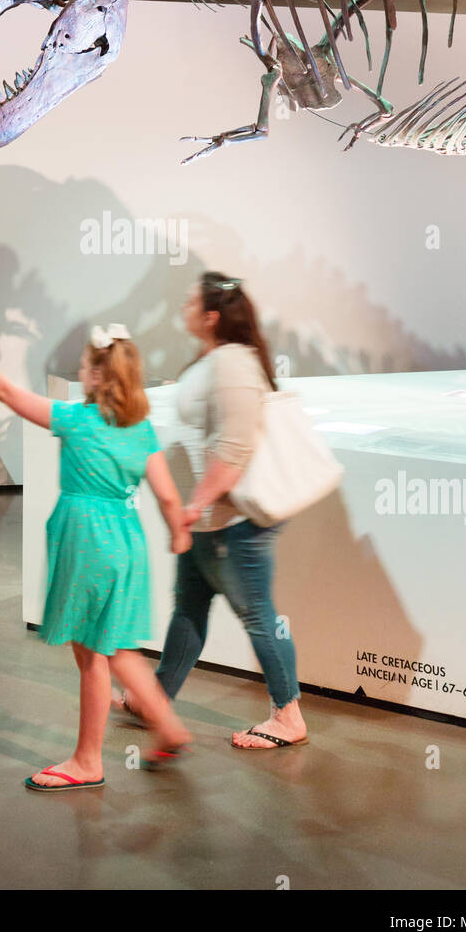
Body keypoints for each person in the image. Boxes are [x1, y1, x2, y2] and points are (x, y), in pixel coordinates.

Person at [0, 314, 194, 790]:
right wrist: (179, 533)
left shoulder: (75, 419)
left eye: (85, 364)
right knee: (115, 647)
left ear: (95, 374)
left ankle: (87, 761)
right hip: (127, 544)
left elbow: (6, 392)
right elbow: (170, 496)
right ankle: (168, 726)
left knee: (92, 655)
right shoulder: (141, 429)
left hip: (87, 541)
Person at [114, 271, 308, 750]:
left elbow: (235, 447)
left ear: (211, 316)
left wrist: (195, 504)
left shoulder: (234, 364)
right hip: (206, 521)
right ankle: (154, 700)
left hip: (231, 524)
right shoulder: (215, 360)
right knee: (189, 610)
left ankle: (288, 717)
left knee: (259, 615)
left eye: (189, 302)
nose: (181, 307)